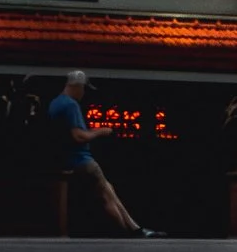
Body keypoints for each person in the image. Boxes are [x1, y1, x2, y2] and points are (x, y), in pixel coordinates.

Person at [47, 70, 156, 235]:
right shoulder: (70, 105)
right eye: (84, 89)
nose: (84, 93)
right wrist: (102, 131)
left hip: (67, 158)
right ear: (78, 86)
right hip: (80, 160)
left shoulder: (55, 103)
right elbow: (79, 136)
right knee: (106, 195)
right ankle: (129, 232)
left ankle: (135, 229)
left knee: (108, 189)